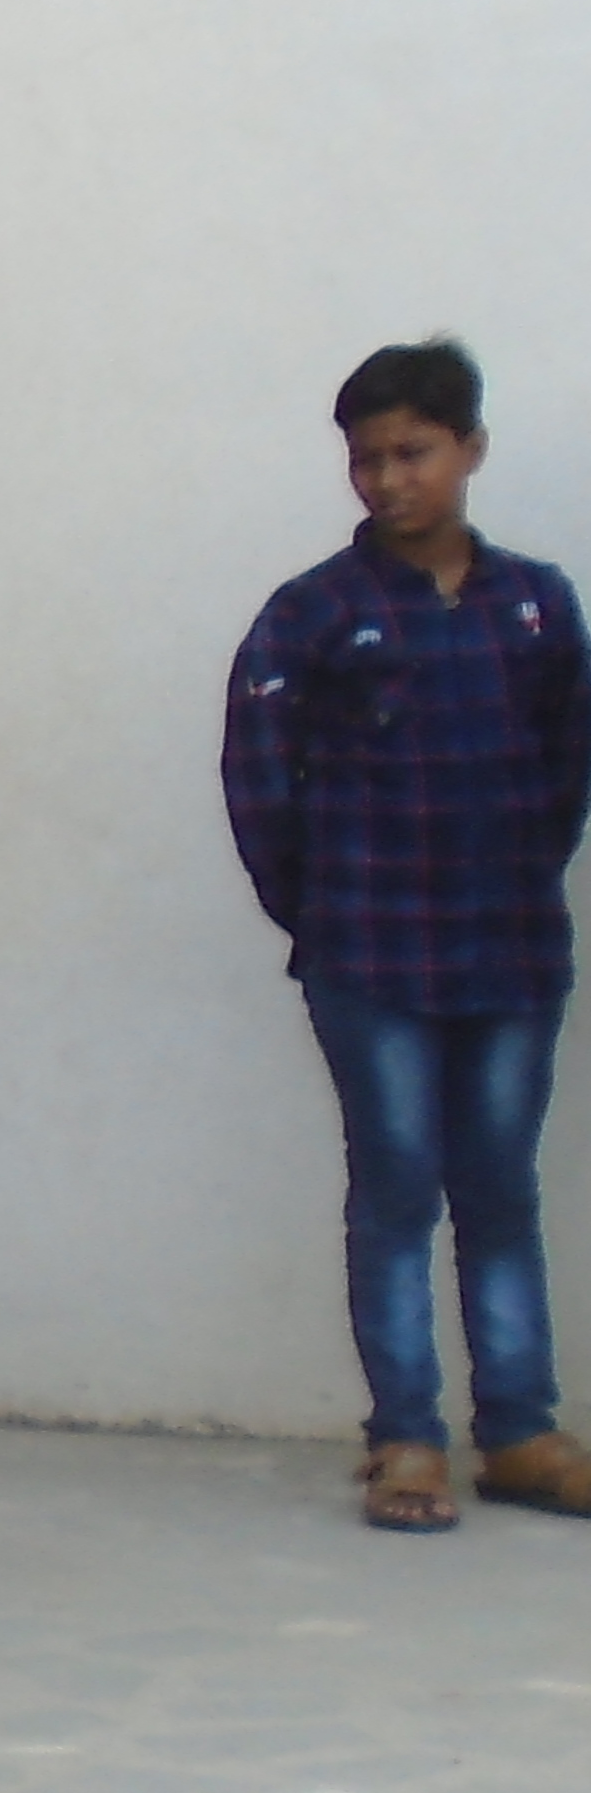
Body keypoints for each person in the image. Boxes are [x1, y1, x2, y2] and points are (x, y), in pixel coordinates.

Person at [224, 337, 591, 1528]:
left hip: (511, 952)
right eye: (365, 458)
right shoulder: (312, 616)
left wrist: (518, 875)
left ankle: (524, 1434)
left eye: (413, 453)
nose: (386, 480)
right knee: (393, 1189)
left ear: (469, 451)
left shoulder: (535, 606)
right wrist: (323, 916)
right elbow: (258, 787)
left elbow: (564, 770)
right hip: (370, 956)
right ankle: (405, 1442)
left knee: (498, 1190)